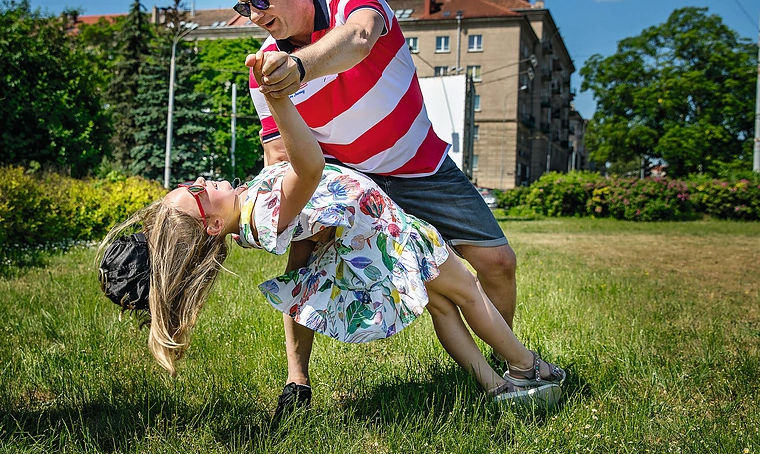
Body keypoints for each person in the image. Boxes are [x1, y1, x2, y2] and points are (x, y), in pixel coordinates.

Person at [98, 85, 566, 409]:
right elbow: (309, 166)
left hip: (379, 242)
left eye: (191, 183)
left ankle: (493, 387)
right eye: (198, 193)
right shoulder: (263, 213)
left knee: (444, 308)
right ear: (213, 225)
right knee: (468, 292)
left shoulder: (248, 216)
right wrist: (278, 101)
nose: (201, 180)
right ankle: (528, 367)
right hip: (390, 237)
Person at [229, 0, 522, 416]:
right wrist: (282, 216)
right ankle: (297, 384)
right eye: (245, 7)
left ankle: (506, 363)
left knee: (498, 263)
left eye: (261, 0)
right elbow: (278, 156)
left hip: (420, 165)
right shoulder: (263, 69)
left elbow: (360, 38)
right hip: (352, 184)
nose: (256, 16)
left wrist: (299, 68)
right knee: (301, 260)